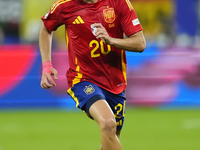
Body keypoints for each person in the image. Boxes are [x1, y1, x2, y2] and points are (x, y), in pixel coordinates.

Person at [39, 0, 146, 150]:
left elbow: (140, 43)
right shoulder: (64, 5)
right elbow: (46, 28)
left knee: (110, 138)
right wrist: (46, 64)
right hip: (82, 79)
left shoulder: (118, 3)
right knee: (108, 123)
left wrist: (111, 40)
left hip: (115, 83)